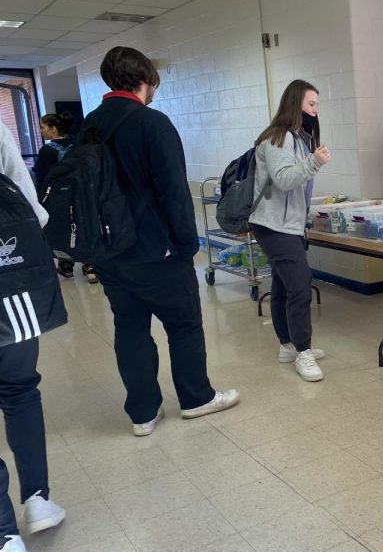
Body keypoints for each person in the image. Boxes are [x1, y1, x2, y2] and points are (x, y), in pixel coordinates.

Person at [82, 47, 239, 436]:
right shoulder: (153, 123)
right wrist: (188, 246)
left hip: (108, 251)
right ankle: (196, 398)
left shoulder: (88, 126)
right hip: (156, 251)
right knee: (184, 324)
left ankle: (143, 414)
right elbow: (173, 192)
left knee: (130, 328)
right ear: (146, 80)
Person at [0, 122, 66, 552]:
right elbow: (31, 209)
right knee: (21, 389)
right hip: (11, 286)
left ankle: (5, 540)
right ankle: (37, 500)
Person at [250, 80, 331, 382]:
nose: (315, 110)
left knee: (284, 285)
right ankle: (303, 352)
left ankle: (287, 345)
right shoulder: (277, 138)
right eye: (311, 104)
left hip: (288, 225)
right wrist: (314, 161)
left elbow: (296, 190)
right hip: (272, 225)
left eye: (317, 105)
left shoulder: (298, 138)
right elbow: (284, 180)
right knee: (300, 283)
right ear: (296, 103)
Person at [35, 113, 98, 284]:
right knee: (84, 225)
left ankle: (66, 265)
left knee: (61, 229)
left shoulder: (47, 151)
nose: (41, 131)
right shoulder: (78, 145)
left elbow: (42, 178)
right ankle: (90, 264)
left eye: (43, 127)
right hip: (83, 194)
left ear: (53, 129)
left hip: (57, 198)